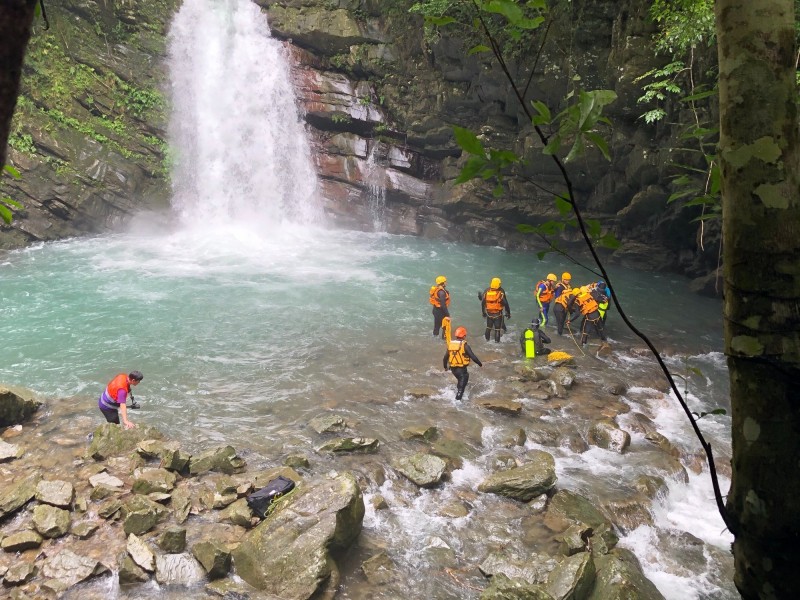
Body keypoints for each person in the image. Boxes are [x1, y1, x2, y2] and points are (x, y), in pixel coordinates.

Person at [443, 326, 482, 400]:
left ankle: (456, 395)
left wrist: (445, 367)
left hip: (453, 369)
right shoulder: (465, 346)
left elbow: (445, 358)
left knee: (460, 381)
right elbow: (473, 357)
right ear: (464, 336)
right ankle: (457, 403)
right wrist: (480, 364)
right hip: (461, 370)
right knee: (462, 387)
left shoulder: (451, 345)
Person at [481, 277, 511, 342]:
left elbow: (483, 302)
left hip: (489, 314)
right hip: (498, 314)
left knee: (488, 328)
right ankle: (497, 345)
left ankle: (486, 342)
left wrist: (483, 312)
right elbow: (505, 303)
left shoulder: (487, 291)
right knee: (497, 330)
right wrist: (508, 312)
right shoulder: (501, 291)